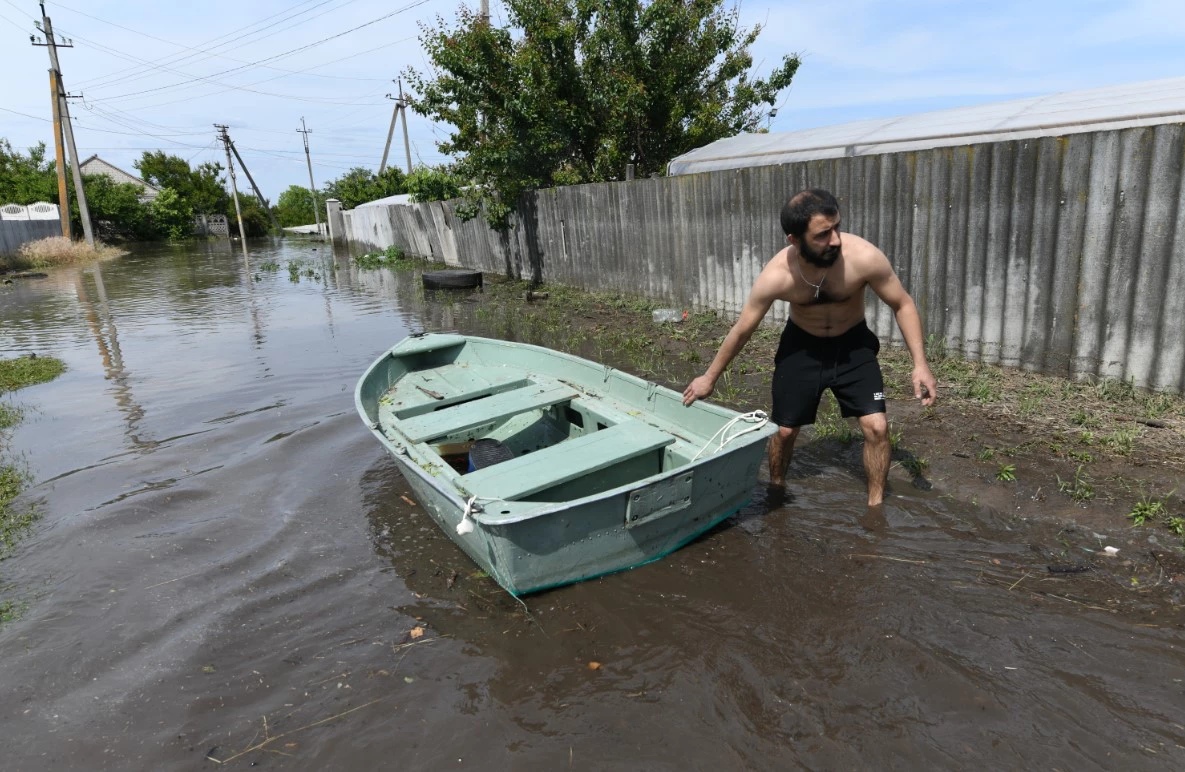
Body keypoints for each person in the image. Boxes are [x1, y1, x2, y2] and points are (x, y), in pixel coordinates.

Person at [682, 188, 937, 507]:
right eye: (823, 234)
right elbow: (743, 329)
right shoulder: (777, 276)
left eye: (837, 228)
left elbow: (902, 304)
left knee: (877, 426)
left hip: (853, 346)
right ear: (794, 239)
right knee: (786, 431)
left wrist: (920, 364)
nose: (835, 240)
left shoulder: (863, 257)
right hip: (801, 348)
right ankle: (776, 490)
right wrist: (709, 377)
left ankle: (875, 507)